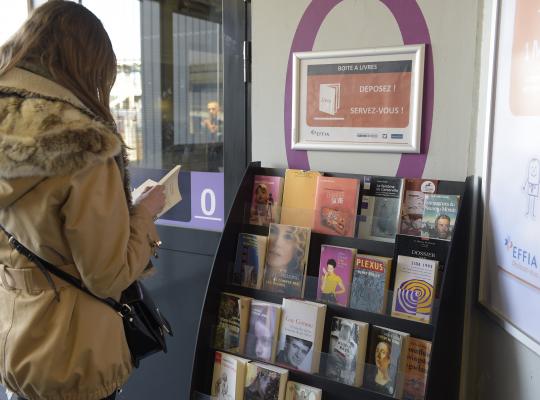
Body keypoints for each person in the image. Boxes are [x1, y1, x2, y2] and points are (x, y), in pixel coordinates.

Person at [0, 2, 166, 400]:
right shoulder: (83, 145)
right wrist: (144, 214)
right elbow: (106, 275)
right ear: (86, 65)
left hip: (16, 337)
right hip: (75, 352)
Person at [263, 224, 308, 295]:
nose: (277, 243)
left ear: (297, 248)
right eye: (273, 231)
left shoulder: (297, 291)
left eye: (288, 237)